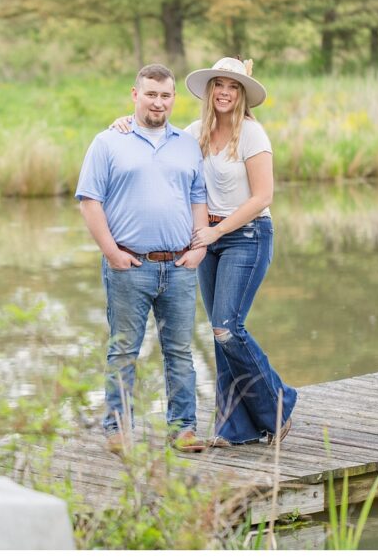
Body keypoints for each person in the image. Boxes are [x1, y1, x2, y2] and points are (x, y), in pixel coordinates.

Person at [110, 57, 296, 447]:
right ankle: (236, 428)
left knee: (228, 328)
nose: (225, 93)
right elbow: (154, 136)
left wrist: (216, 231)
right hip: (207, 239)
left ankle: (278, 403)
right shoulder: (194, 132)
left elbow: (263, 196)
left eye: (233, 87)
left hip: (246, 235)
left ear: (242, 95)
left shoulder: (251, 135)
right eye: (219, 85)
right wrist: (121, 125)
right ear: (209, 91)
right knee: (217, 336)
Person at [75, 63, 210, 455]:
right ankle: (118, 431)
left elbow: (198, 197)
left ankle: (183, 429)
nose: (158, 102)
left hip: (180, 266)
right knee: (123, 351)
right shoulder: (108, 142)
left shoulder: (186, 144)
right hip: (129, 266)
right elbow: (89, 201)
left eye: (165, 95)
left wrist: (199, 248)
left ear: (173, 99)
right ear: (135, 95)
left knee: (180, 352)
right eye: (151, 94)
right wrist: (111, 252)